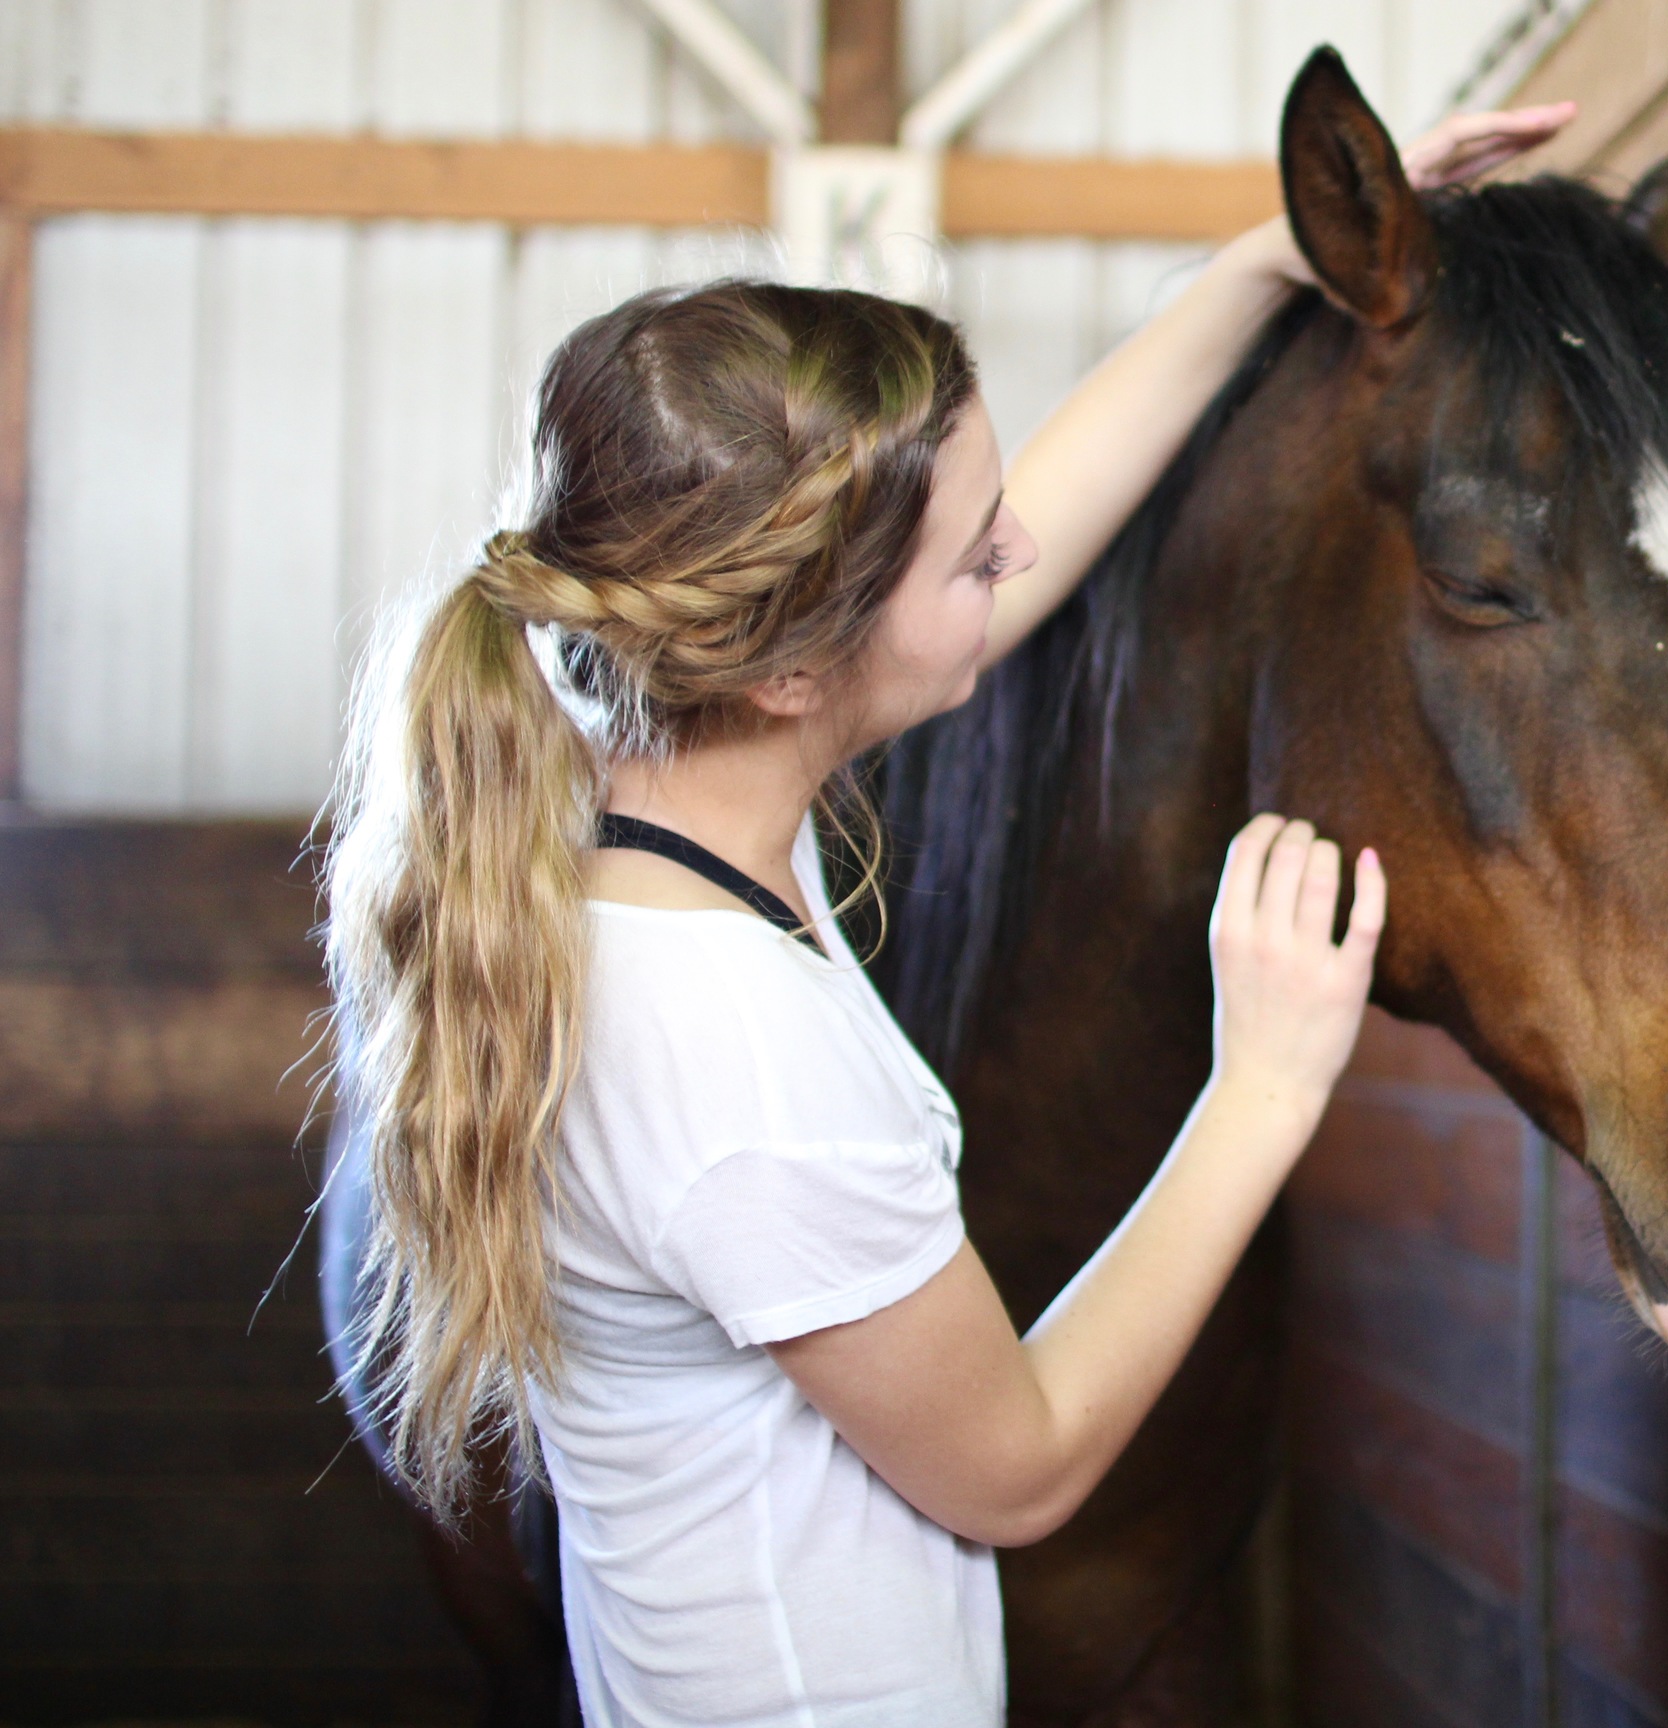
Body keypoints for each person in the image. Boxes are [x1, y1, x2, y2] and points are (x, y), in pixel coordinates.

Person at [322, 99, 1573, 1725]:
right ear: (790, 667)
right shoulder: (733, 1056)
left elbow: (1017, 532)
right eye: (975, 562)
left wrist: (1259, 268)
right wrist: (1262, 1088)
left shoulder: (657, 818)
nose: (1019, 554)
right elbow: (1021, 1466)